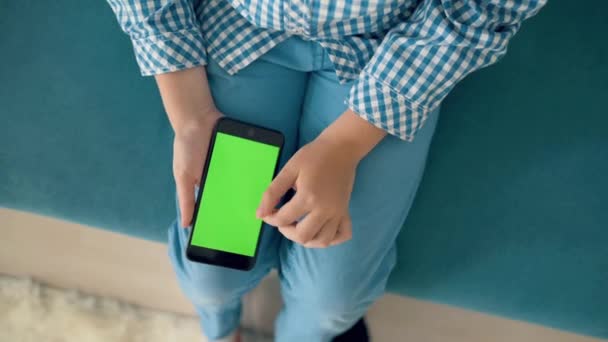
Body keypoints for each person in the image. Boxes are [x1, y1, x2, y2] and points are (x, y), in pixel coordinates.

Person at [106, 0, 545, 340]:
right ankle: (218, 327)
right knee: (210, 274)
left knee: (332, 298)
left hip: (394, 45)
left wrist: (345, 144)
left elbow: (483, 9)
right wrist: (190, 113)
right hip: (239, 26)